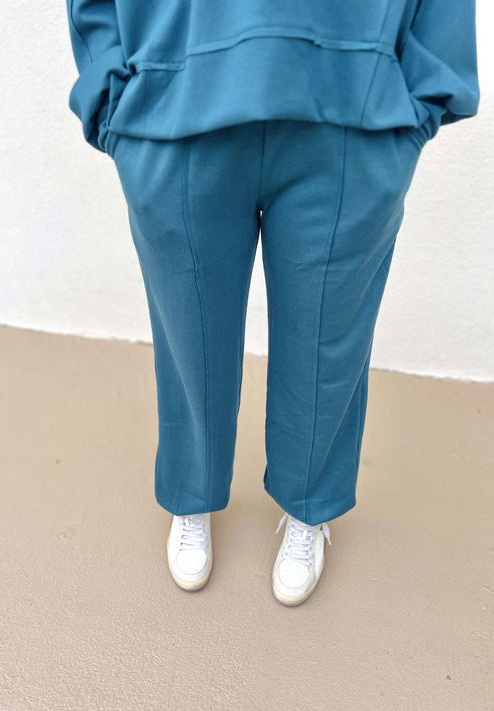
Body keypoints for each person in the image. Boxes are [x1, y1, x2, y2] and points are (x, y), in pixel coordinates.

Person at [65, 0, 480, 606]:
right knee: (189, 333)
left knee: (327, 342)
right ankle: (191, 493)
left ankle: (308, 507)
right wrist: (111, 100)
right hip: (175, 97)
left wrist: (421, 103)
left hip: (351, 105)